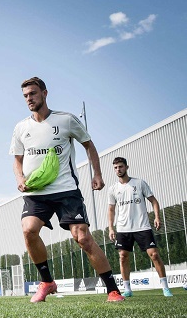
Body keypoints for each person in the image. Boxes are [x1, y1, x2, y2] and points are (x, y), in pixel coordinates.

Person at [10, 76, 123, 302]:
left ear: (45, 93)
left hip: (66, 190)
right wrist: (20, 178)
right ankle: (47, 282)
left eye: (32, 93)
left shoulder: (66, 120)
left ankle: (112, 289)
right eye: (25, 96)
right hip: (36, 193)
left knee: (82, 238)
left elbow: (88, 145)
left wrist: (97, 174)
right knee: (28, 229)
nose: (29, 99)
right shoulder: (21, 127)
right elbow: (17, 159)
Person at [107, 157, 173, 297]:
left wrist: (157, 217)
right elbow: (111, 210)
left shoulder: (139, 183)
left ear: (126, 167)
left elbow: (154, 201)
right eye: (116, 168)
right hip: (123, 228)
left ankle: (165, 288)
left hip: (142, 226)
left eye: (121, 167)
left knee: (154, 255)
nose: (118, 170)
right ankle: (128, 290)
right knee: (123, 256)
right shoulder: (113, 189)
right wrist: (111, 228)